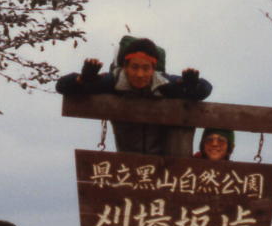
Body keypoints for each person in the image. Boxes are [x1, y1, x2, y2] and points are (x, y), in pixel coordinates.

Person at [55, 36, 212, 155]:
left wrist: (191, 86)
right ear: (125, 67)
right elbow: (62, 85)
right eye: (134, 67)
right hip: (128, 163)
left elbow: (205, 88)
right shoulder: (113, 81)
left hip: (162, 165)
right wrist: (83, 80)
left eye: (146, 68)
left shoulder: (164, 84)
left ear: (153, 69)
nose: (139, 74)